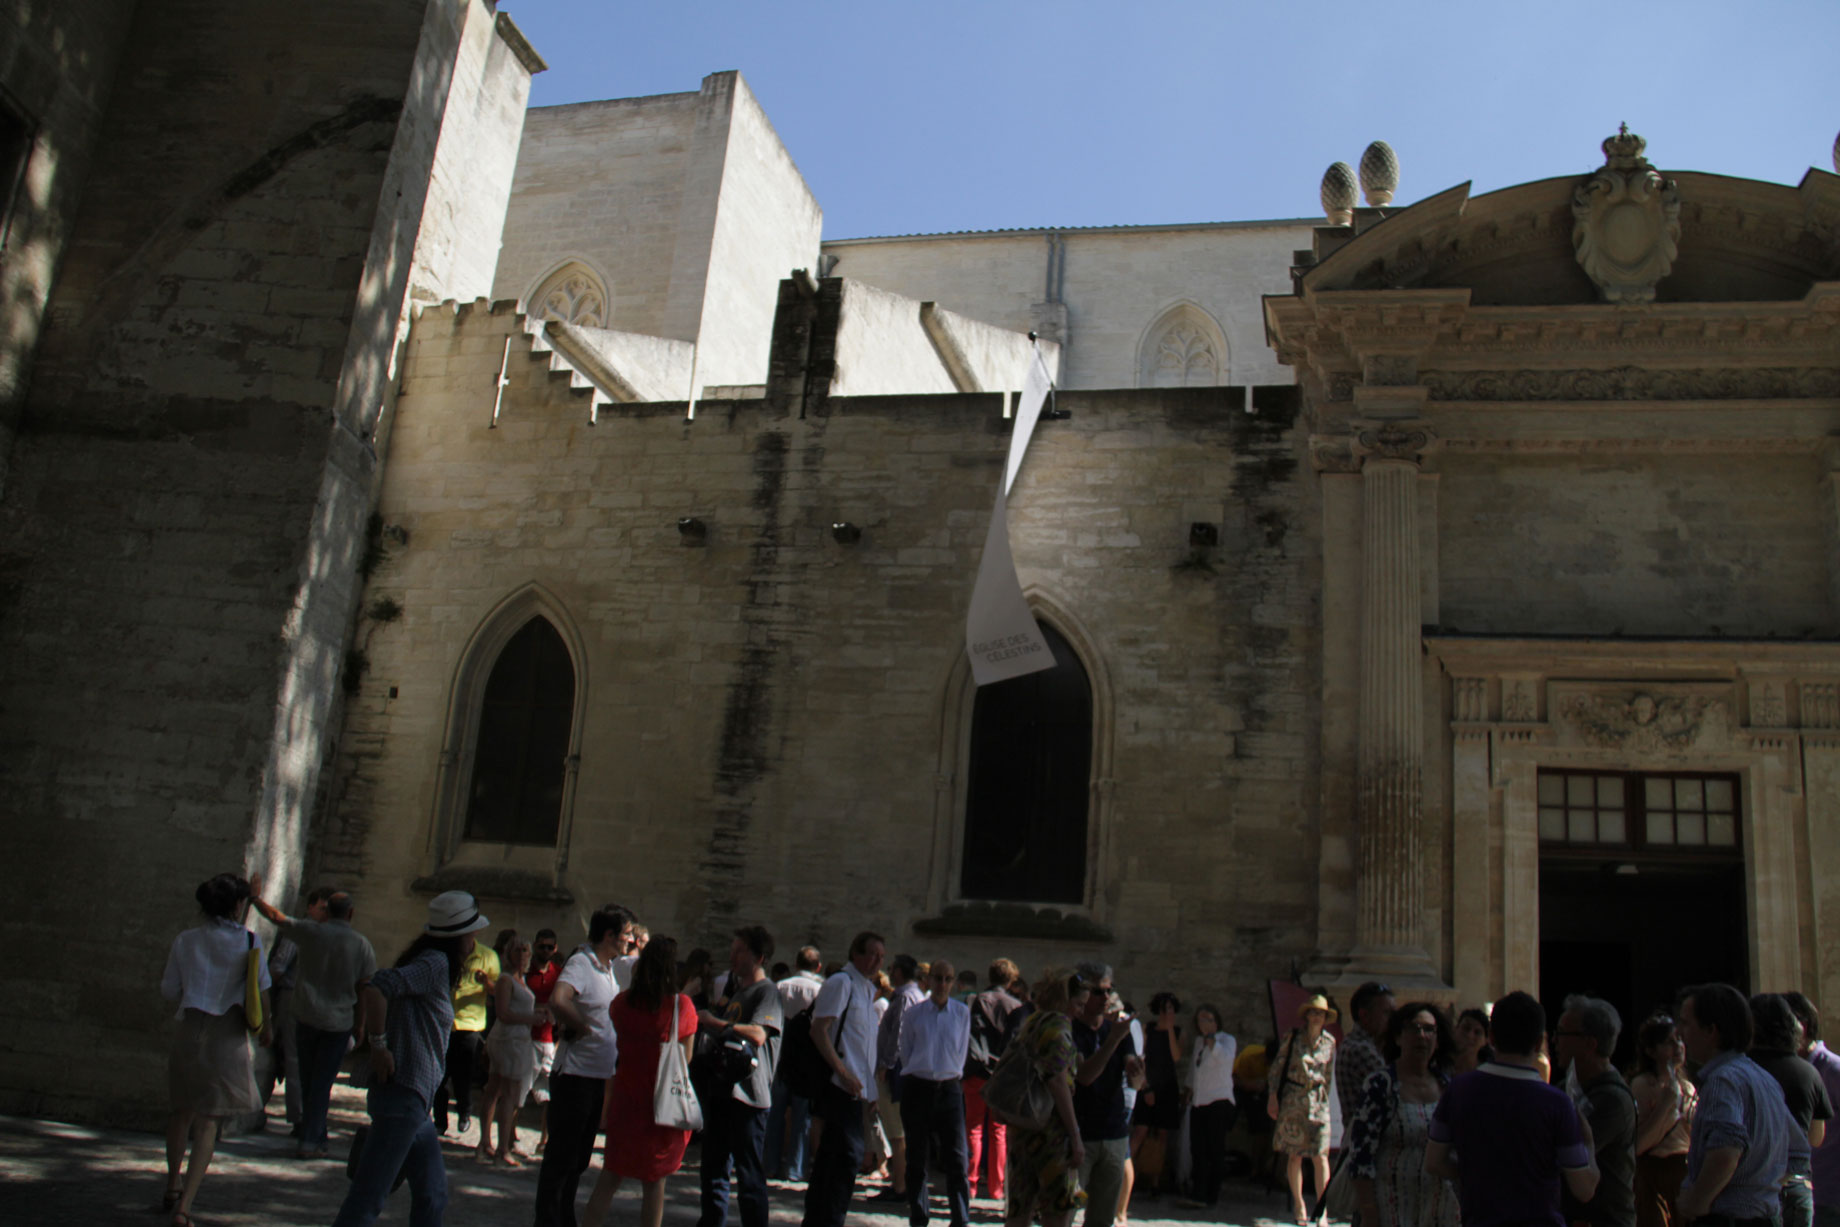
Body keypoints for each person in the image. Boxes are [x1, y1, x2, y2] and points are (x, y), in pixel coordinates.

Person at [332, 889, 490, 1227]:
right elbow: (376, 987)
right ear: (459, 934)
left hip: (415, 1100)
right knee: (368, 1197)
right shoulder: (434, 962)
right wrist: (378, 1046)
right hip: (402, 1096)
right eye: (472, 930)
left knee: (433, 1194)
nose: (476, 937)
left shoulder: (433, 962)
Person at [1426, 990, 1598, 1226]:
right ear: (1539, 1043)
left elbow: (1434, 1162)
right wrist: (1588, 1141)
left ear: (1492, 1038)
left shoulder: (1458, 1090)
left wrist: (1478, 1172)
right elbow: (1584, 1189)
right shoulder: (1557, 1104)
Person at [159, 873, 272, 1227]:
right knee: (209, 1124)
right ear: (239, 905)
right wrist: (267, 1028)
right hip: (227, 1034)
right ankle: (186, 1206)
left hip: (190, 1028)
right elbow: (262, 989)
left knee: (181, 1111)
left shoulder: (186, 939)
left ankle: (172, 1182)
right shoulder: (250, 943)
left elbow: (169, 989)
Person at [247, 874, 376, 1159]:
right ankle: (311, 1138)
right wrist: (362, 1023)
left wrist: (255, 898)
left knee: (306, 1078)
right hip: (338, 1022)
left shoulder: (311, 932)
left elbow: (277, 918)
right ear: (351, 913)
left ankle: (312, 1133)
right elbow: (365, 988)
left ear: (327, 912)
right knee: (322, 1082)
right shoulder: (362, 945)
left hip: (305, 1014)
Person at [580, 937, 698, 1227]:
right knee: (654, 1183)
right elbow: (686, 1057)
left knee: (610, 1177)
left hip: (626, 1099)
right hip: (660, 1104)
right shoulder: (681, 1006)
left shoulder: (621, 1004)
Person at [533, 903, 635, 1227]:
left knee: (578, 1159)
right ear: (609, 935)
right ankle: (547, 1220)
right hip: (575, 1075)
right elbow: (559, 999)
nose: (630, 941)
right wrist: (580, 1026)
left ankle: (564, 1216)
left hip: (597, 1076)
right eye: (627, 935)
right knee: (562, 1158)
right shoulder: (582, 962)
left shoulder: (607, 969)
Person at [1674, 983, 1801, 1224]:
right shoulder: (1763, 1079)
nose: (1679, 1033)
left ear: (1711, 1030)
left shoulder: (1723, 1081)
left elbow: (1726, 1150)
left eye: (1686, 1023)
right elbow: (1797, 1151)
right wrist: (1761, 1185)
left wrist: (1696, 1202)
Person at [697, 925, 785, 1227]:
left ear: (759, 957)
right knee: (713, 1168)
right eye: (732, 950)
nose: (732, 956)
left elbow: (759, 1034)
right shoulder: (737, 991)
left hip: (749, 1096)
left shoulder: (767, 991)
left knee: (749, 1174)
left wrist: (717, 1024)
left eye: (740, 951)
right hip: (723, 1090)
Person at [1347, 1001, 1459, 1227]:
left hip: (1438, 1212)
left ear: (1437, 1041)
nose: (1422, 1036)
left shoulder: (1448, 1087)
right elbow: (1360, 1157)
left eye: (1429, 1030)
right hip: (1388, 1210)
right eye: (1413, 1028)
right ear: (1398, 1037)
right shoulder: (1380, 1085)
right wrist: (1369, 1214)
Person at [801, 930, 885, 1227]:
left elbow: (864, 1045)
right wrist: (842, 1071)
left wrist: (871, 1090)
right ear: (857, 953)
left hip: (856, 1090)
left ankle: (821, 1220)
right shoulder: (842, 983)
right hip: (838, 1087)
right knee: (844, 1159)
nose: (877, 960)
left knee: (835, 1161)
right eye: (873, 954)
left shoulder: (865, 988)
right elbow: (818, 1030)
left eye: (881, 956)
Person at [1002, 969, 1090, 1227]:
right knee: (1057, 1211)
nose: (1080, 1011)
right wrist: (1075, 1135)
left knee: (1020, 1206)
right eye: (1078, 1004)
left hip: (1023, 1127)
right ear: (1064, 1000)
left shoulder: (1033, 1021)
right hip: (1050, 1131)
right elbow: (1057, 1082)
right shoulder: (1058, 1028)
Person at [897, 959, 973, 1227]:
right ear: (928, 981)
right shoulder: (914, 1014)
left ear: (953, 982)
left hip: (950, 1088)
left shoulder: (962, 1013)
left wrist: (947, 1073)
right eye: (937, 978)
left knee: (957, 1158)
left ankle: (960, 1217)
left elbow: (961, 1052)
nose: (942, 984)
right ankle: (919, 1215)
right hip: (919, 1086)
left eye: (947, 979)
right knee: (917, 1157)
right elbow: (905, 1051)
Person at [1553, 994, 1636, 1227]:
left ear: (1590, 1043)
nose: (1554, 1041)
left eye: (1561, 1033)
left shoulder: (1612, 1100)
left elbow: (1565, 1152)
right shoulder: (1568, 1087)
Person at [1750, 993, 1831, 1227]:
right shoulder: (1809, 1073)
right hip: (1797, 1186)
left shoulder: (1741, 1070)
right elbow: (1816, 1138)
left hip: (1753, 1189)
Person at [1071, 959, 1140, 1227]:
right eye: (1098, 991)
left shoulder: (1118, 1031)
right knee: (1066, 1210)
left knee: (1101, 1219)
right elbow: (1084, 1076)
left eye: (1108, 991)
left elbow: (1135, 1080)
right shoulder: (1072, 1029)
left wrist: (1138, 1073)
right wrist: (1112, 1042)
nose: (1105, 997)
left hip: (1114, 1134)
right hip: (1080, 1135)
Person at [1267, 992, 1337, 1225]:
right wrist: (1273, 1096)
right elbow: (1277, 1067)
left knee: (1320, 1156)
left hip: (1318, 1102)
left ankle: (1322, 1208)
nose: (1317, 1016)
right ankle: (1298, 1203)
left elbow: (1327, 1076)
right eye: (1314, 1012)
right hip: (1294, 1099)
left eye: (1321, 1013)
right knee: (1295, 1154)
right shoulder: (1293, 1038)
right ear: (1306, 1015)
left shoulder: (1330, 1042)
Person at [477, 935, 546, 1164]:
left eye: (525, 950)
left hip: (517, 1039)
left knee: (497, 1090)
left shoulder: (521, 980)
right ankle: (501, 1149)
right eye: (517, 950)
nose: (522, 955)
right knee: (506, 1093)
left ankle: (487, 1144)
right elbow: (504, 1014)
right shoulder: (506, 981)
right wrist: (531, 1018)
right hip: (509, 1040)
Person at [964, 958, 1025, 1204]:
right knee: (999, 1131)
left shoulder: (976, 1000)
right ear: (1011, 980)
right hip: (1002, 1074)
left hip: (977, 1071)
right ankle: (997, 1187)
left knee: (974, 1128)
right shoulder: (1016, 1006)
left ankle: (970, 1184)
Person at [1628, 1011, 1696, 1227]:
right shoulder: (1642, 1085)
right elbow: (1639, 1145)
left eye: (1679, 1040)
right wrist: (1668, 1103)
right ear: (1651, 1051)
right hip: (1654, 1173)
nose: (1678, 1047)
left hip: (1684, 1172)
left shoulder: (1688, 1088)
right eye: (1669, 1042)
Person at [433, 920, 499, 1136]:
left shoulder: (488, 956)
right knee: (439, 1075)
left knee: (463, 1075)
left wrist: (486, 982)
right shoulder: (445, 954)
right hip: (443, 1023)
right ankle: (439, 1120)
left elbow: (497, 991)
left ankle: (464, 1112)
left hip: (470, 1024)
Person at [869, 953, 926, 1205]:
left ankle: (900, 1186)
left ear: (900, 972)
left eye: (892, 968)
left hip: (896, 1073)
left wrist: (886, 1064)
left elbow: (899, 1033)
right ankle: (901, 1183)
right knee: (900, 1132)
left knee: (897, 1133)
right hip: (905, 1071)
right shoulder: (916, 995)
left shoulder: (904, 996)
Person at [768, 945, 825, 1182]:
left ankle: (769, 1163)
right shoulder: (821, 990)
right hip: (807, 1061)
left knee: (775, 1115)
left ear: (796, 963)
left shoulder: (780, 986)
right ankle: (795, 1167)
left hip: (781, 1057)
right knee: (802, 1118)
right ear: (818, 966)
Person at [1782, 992, 1840, 1227]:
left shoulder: (1832, 1070)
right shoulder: (1785, 1069)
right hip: (1797, 1198)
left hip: (1830, 1201)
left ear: (1801, 1026)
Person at [1177, 1003, 1237, 1210]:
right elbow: (1195, 1070)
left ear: (1216, 1021)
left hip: (1218, 1101)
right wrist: (1188, 1090)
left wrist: (1211, 1039)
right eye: (1201, 1019)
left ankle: (1213, 1192)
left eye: (1208, 1019)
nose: (1204, 1023)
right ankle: (1198, 1192)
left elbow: (1225, 1060)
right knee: (1198, 1149)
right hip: (1199, 1101)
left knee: (1215, 1149)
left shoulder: (1227, 1041)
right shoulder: (1198, 1042)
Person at [1129, 991, 1185, 1199]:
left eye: (1170, 1009)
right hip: (1149, 1086)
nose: (1167, 1013)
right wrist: (1146, 1088)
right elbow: (1140, 1058)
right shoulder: (1148, 1029)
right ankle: (1127, 1176)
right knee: (1140, 1131)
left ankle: (1154, 1181)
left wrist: (1170, 1029)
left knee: (1162, 1135)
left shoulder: (1177, 1031)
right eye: (1164, 1009)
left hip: (1168, 1088)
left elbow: (1176, 1057)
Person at [1338, 982, 1397, 1142]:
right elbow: (1398, 1093)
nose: (1393, 1021)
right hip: (1364, 1142)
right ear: (1364, 1015)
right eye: (1387, 1013)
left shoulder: (1367, 1045)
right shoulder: (1360, 1049)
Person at [527, 928, 563, 1146]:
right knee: (518, 1091)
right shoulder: (526, 971)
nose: (546, 950)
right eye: (542, 946)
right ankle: (510, 1136)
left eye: (550, 947)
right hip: (525, 1037)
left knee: (550, 1095)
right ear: (535, 946)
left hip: (549, 1039)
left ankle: (544, 1139)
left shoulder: (559, 974)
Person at [1450, 1007, 1492, 1076]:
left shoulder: (1487, 1073)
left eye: (1477, 1032)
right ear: (1455, 1029)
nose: (1470, 1036)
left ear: (1486, 1040)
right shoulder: (1439, 1065)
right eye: (1466, 1028)